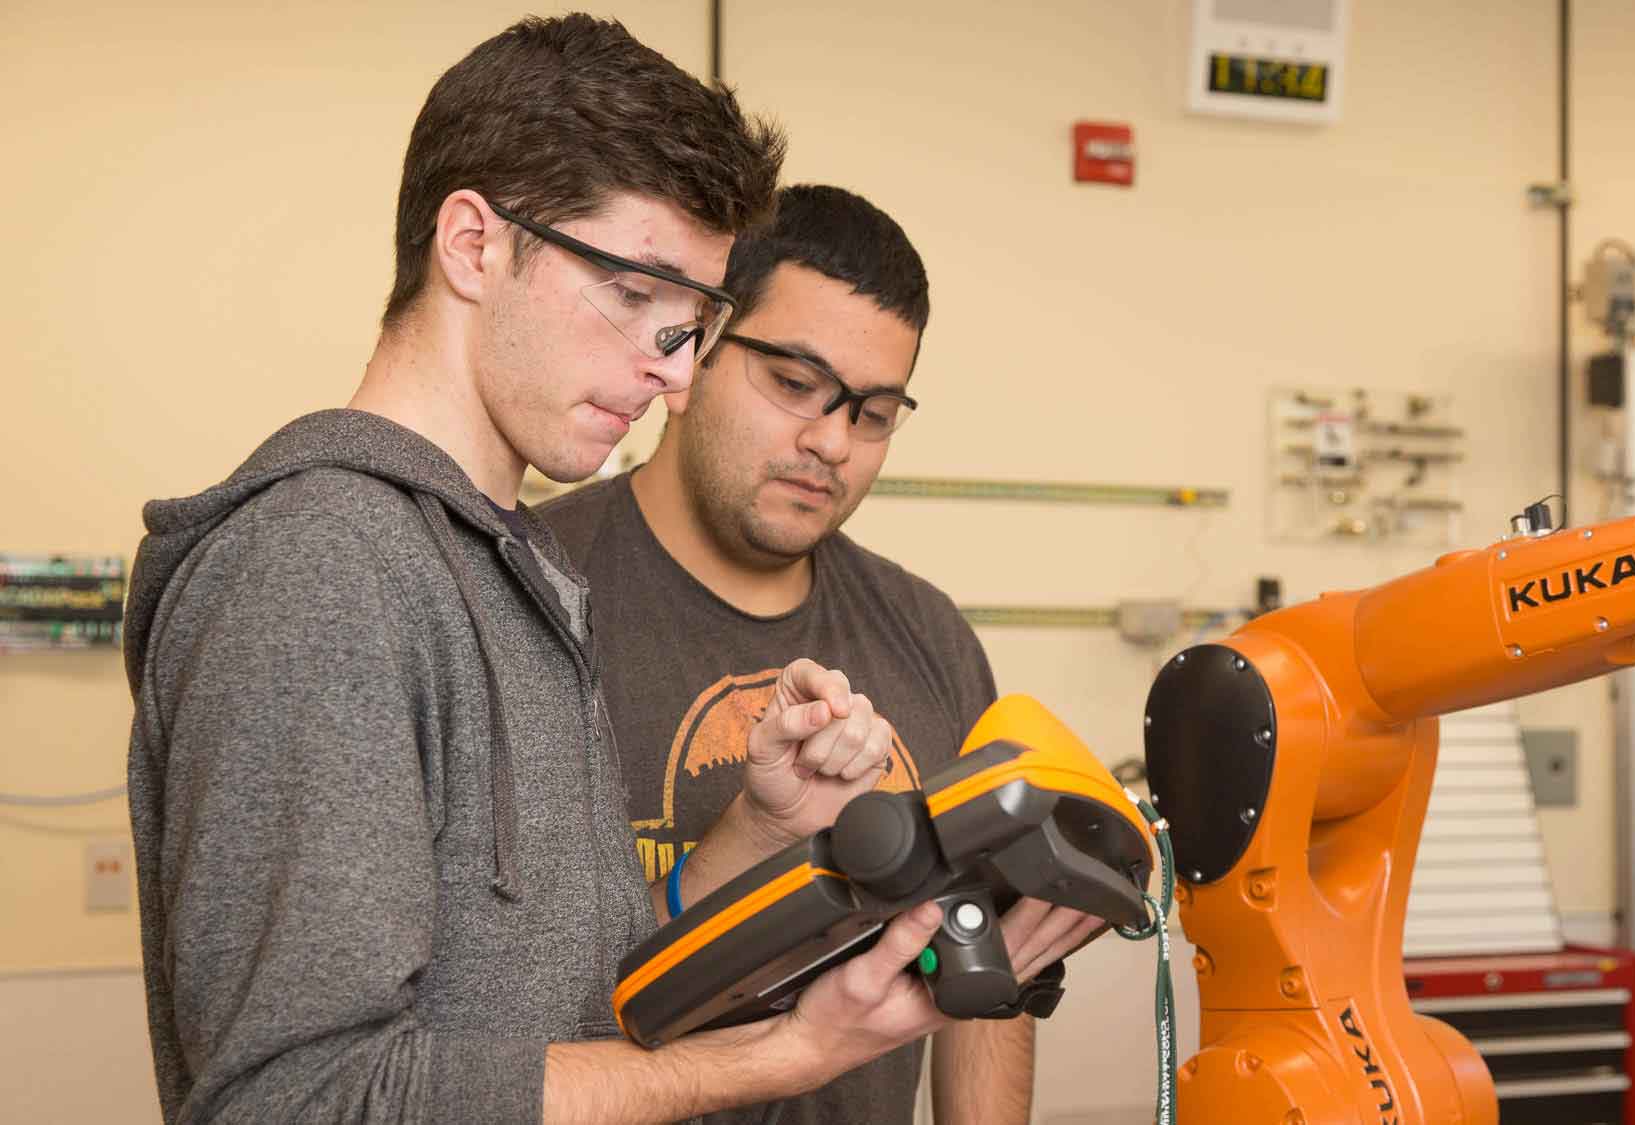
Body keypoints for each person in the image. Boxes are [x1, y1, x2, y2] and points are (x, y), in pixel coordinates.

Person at [122, 18, 1081, 1124]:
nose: (668, 378)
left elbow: (582, 998)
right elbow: (299, 1099)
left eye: (690, 325)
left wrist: (759, 831)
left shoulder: (507, 568)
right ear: (474, 245)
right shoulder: (319, 564)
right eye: (634, 295)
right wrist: (775, 1057)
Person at [540, 184, 1094, 1125]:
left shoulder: (930, 637)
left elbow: (980, 981)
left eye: (872, 413)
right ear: (694, 349)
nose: (830, 441)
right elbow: (489, 1025)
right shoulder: (534, 592)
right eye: (794, 384)